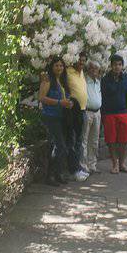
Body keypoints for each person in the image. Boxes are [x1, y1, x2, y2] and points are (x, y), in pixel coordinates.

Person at [39, 56, 72, 186]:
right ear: (52, 67)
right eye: (56, 65)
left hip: (61, 117)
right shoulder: (47, 80)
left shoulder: (62, 81)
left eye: (61, 65)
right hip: (50, 117)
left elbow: (65, 98)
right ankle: (50, 176)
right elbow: (41, 98)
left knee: (60, 146)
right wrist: (59, 102)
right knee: (58, 146)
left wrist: (68, 103)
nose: (59, 68)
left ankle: (57, 174)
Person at [101, 54, 127, 174]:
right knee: (111, 141)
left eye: (119, 64)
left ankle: (122, 164)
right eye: (115, 64)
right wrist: (103, 115)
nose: (117, 67)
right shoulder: (105, 79)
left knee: (124, 140)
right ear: (111, 66)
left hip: (123, 112)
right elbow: (103, 97)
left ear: (122, 66)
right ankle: (114, 164)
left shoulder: (126, 78)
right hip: (109, 114)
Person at [65, 52, 89, 181]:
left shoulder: (82, 72)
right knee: (72, 141)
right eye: (80, 60)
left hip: (83, 111)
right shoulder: (68, 71)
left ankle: (78, 168)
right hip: (72, 112)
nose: (81, 63)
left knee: (79, 141)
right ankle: (73, 170)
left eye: (84, 60)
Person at [81, 60, 102, 174]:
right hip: (87, 112)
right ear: (88, 69)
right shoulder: (83, 80)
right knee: (84, 140)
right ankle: (84, 166)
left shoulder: (98, 82)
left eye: (96, 68)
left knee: (94, 140)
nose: (94, 70)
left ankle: (92, 165)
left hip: (97, 113)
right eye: (92, 68)